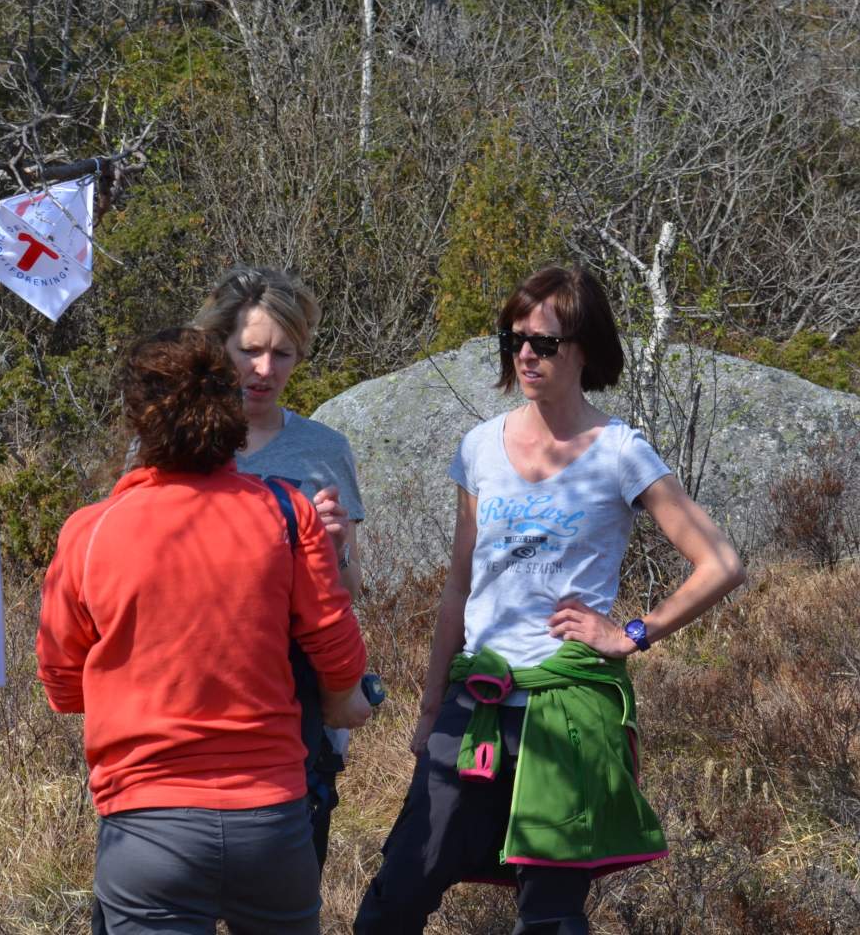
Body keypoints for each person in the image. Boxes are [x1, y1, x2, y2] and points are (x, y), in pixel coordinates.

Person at [354, 266, 745, 935]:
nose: (526, 356)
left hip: (568, 711)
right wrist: (427, 712)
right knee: (397, 894)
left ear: (584, 349)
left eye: (544, 342)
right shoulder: (480, 447)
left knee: (550, 915)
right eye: (514, 341)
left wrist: (632, 632)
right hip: (475, 702)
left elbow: (722, 563)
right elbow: (458, 587)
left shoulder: (621, 452)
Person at [37, 327, 373, 935]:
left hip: (146, 826)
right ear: (231, 407)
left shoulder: (90, 532)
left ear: (137, 419)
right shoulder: (283, 512)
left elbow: (63, 687)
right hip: (271, 818)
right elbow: (337, 647)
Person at [192, 263, 368, 868]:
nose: (264, 371)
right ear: (218, 348)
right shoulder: (172, 443)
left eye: (283, 354)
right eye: (249, 351)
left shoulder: (324, 449)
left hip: (295, 701)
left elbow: (348, 591)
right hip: (193, 691)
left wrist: (338, 545)